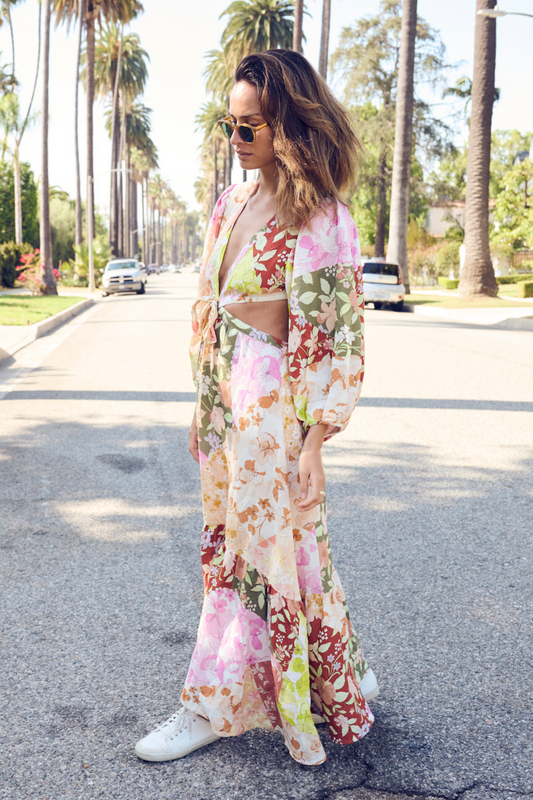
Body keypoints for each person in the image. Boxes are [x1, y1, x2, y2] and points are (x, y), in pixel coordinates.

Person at [135, 48, 378, 767]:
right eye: (229, 126)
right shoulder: (232, 203)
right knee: (286, 552)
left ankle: (207, 703)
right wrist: (202, 405)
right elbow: (211, 310)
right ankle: (338, 679)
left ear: (292, 128)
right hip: (230, 407)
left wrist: (313, 444)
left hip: (276, 410)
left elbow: (336, 336)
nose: (236, 141)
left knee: (253, 559)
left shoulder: (322, 216)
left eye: (251, 128)